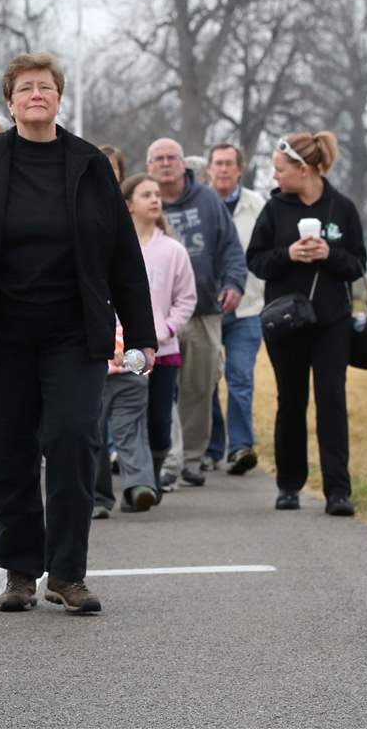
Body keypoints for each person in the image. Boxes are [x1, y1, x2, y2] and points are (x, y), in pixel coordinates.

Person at [0, 53, 155, 615]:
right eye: (25, 88)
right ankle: (21, 571)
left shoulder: (89, 165)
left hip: (73, 336)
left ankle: (68, 574)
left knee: (73, 440)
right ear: (10, 101)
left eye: (45, 87)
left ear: (59, 97)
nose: (36, 95)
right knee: (6, 452)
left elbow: (123, 257)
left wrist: (143, 334)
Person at [246, 132, 366, 517]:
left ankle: (337, 491)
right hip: (286, 323)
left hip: (332, 322)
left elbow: (358, 265)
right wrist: (290, 254)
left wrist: (330, 253)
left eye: (280, 169)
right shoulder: (274, 209)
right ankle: (288, 485)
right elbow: (257, 261)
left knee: (331, 401)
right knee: (291, 402)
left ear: (303, 169)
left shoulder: (342, 208)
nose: (275, 176)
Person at [146, 138, 246, 488]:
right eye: (159, 158)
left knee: (198, 389)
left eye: (172, 157)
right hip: (154, 316)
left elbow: (231, 247)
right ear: (149, 166)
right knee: (155, 391)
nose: (166, 164)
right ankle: (162, 459)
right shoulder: (142, 202)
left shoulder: (207, 200)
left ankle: (191, 459)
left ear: (183, 163)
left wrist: (234, 282)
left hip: (202, 311)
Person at [95, 174, 197, 515]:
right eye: (146, 194)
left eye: (157, 194)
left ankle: (146, 479)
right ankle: (111, 492)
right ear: (128, 205)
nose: (155, 199)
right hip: (111, 351)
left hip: (159, 350)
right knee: (106, 420)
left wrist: (165, 329)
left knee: (153, 423)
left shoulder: (173, 250)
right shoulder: (110, 246)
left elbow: (186, 299)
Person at [204, 143, 266, 475]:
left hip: (248, 309)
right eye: (218, 163)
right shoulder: (200, 203)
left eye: (230, 164)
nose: (224, 169)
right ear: (210, 169)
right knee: (207, 379)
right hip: (206, 311)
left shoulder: (257, 206)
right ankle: (212, 448)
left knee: (240, 378)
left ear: (240, 169)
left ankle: (241, 447)